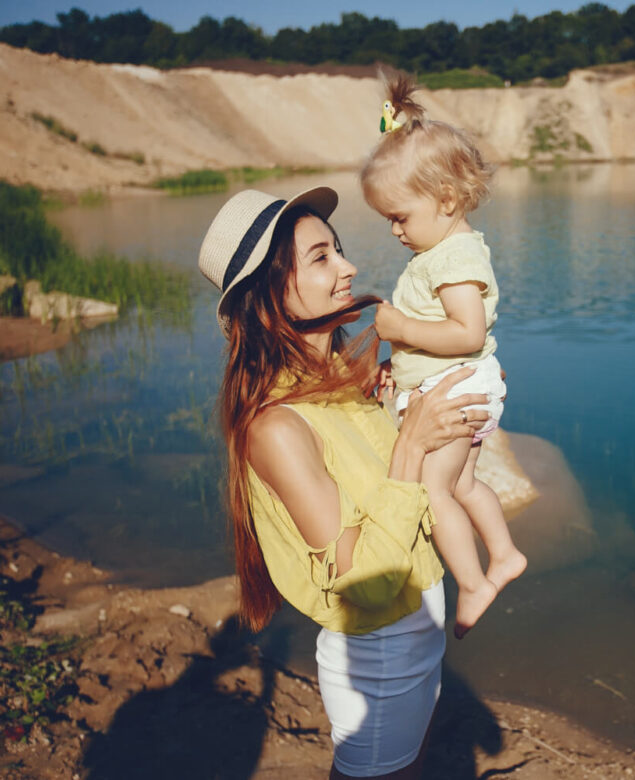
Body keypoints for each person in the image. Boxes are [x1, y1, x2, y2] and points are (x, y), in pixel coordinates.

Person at [199, 185, 488, 779]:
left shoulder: (340, 381)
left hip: (413, 630)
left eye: (338, 250)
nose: (349, 267)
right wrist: (410, 445)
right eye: (320, 258)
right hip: (379, 647)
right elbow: (363, 583)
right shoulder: (276, 427)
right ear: (268, 297)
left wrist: (446, 388)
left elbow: (387, 493)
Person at [361, 76, 526, 639]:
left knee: (435, 488)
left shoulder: (450, 258)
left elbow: (467, 331)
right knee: (463, 485)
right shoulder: (445, 251)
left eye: (400, 216)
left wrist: (399, 326)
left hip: (457, 384)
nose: (394, 230)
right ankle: (503, 554)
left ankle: (475, 582)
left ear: (447, 200)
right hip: (458, 383)